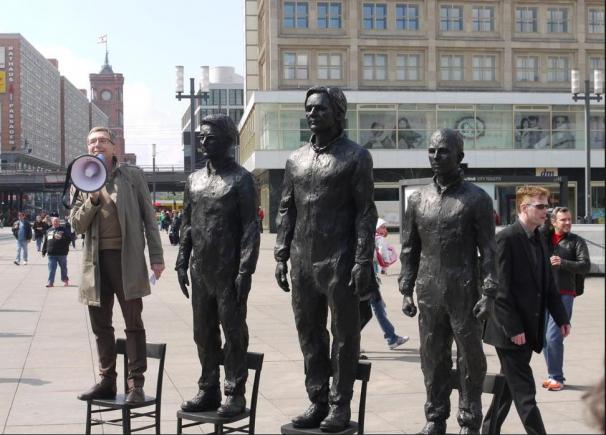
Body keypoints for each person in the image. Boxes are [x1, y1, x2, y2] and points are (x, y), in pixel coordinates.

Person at [274, 86, 377, 432]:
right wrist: (280, 253)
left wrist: (363, 261)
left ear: (338, 113)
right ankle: (316, 399)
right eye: (309, 109)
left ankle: (339, 404)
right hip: (303, 260)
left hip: (340, 259)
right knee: (309, 333)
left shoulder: (355, 157)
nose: (312, 114)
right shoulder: (296, 159)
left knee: (345, 335)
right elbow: (286, 209)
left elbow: (365, 212)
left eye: (320, 108)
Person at [398, 128, 498, 435]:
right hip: (428, 290)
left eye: (443, 151)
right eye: (431, 151)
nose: (436, 157)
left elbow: (489, 251)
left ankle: (469, 417)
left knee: (470, 356)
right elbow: (409, 248)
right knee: (432, 356)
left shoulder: (476, 199)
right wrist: (406, 288)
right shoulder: (417, 200)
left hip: (464, 289)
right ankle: (435, 416)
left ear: (459, 156)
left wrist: (489, 291)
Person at [71, 126, 165, 404]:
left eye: (102, 140)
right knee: (101, 325)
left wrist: (157, 257)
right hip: (95, 263)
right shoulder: (82, 178)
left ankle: (135, 383)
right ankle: (107, 381)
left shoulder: (132, 176)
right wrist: (92, 199)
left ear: (114, 147)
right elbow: (76, 224)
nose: (97, 145)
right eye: (92, 141)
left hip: (127, 260)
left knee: (133, 322)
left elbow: (149, 218)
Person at [176, 114, 260, 417]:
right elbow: (187, 224)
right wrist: (182, 260)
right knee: (203, 331)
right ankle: (208, 387)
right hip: (201, 270)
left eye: (210, 137)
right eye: (201, 137)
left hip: (229, 270)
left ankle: (234, 391)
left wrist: (245, 270)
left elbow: (251, 228)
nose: (203, 141)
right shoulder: (194, 180)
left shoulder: (242, 179)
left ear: (228, 140)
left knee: (234, 332)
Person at [482, 186, 571, 435]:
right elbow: (500, 290)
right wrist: (514, 328)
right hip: (510, 331)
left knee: (508, 389)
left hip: (528, 329)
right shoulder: (506, 238)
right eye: (541, 206)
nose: (546, 211)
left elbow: (548, 285)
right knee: (525, 392)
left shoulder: (540, 238)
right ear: (524, 208)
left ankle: (488, 430)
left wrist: (561, 317)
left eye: (547, 206)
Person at [541, 206, 590, 391]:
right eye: (563, 220)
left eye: (569, 219)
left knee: (553, 337)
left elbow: (585, 265)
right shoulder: (544, 238)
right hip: (544, 293)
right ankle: (552, 375)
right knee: (544, 338)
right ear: (553, 222)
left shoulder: (576, 241)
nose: (568, 222)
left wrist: (564, 263)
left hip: (564, 294)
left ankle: (556, 377)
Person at [369, 218, 408, 350]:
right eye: (383, 227)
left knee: (374, 308)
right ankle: (391, 338)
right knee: (378, 308)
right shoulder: (378, 239)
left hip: (367, 278)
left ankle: (351, 342)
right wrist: (385, 265)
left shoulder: (367, 237)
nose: (385, 230)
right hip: (369, 280)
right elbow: (382, 253)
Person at [41, 216, 71, 287]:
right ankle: (50, 282)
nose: (56, 222)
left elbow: (69, 239)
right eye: (54, 221)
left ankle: (65, 280)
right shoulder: (49, 230)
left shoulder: (63, 230)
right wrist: (43, 251)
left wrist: (62, 238)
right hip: (51, 253)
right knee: (51, 269)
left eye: (57, 221)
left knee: (63, 268)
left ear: (59, 222)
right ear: (52, 222)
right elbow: (46, 241)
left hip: (62, 253)